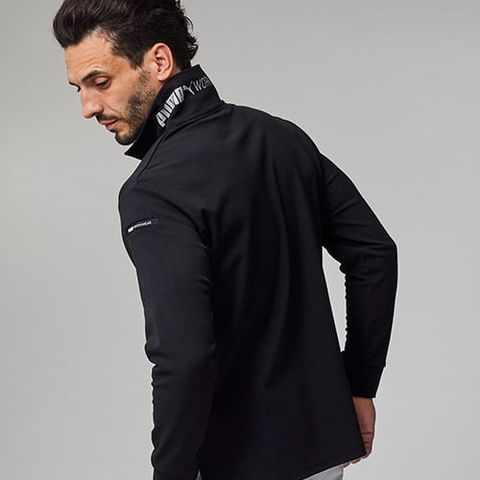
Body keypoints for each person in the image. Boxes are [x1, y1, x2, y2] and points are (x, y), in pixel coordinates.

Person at [52, 1, 398, 479]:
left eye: (100, 82)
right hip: (322, 456)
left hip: (233, 464)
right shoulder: (282, 139)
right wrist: (359, 384)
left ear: (159, 61)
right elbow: (375, 254)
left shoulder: (153, 190)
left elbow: (184, 358)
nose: (88, 107)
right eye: (80, 89)